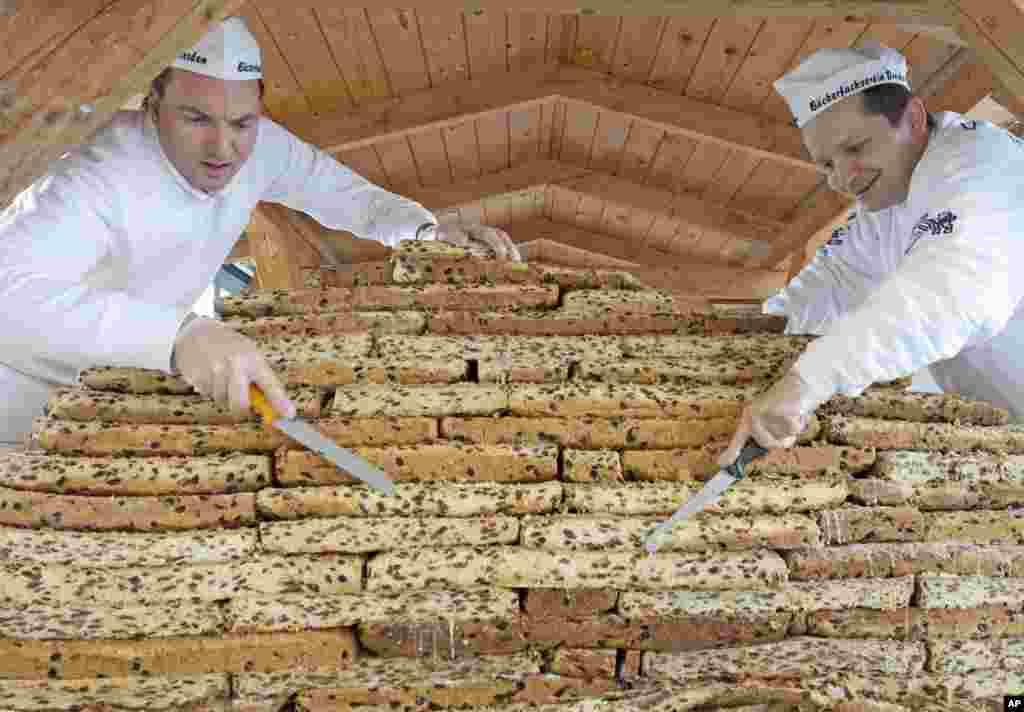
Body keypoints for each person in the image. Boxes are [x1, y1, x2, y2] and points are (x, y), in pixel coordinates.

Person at [0, 17, 519, 445]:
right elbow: (10, 300)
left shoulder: (263, 147)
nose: (223, 148)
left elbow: (345, 195)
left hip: (129, 391)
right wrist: (177, 335)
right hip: (25, 404)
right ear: (154, 104)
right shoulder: (94, 175)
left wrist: (423, 232)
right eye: (195, 119)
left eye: (242, 124)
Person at [719, 42, 1024, 466]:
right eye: (826, 165)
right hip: (1005, 435)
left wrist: (808, 382)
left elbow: (947, 293)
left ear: (914, 118)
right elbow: (830, 285)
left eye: (856, 147)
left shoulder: (978, 167)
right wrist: (728, 351)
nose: (842, 177)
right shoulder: (882, 206)